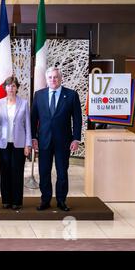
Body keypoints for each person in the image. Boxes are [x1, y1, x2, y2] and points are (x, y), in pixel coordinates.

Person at [31, 67, 82, 212]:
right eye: (50, 77)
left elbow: (77, 119)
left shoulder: (71, 95)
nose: (53, 80)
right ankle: (45, 200)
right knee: (44, 172)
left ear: (60, 78)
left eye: (55, 77)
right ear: (46, 80)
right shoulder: (39, 95)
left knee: (62, 172)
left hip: (64, 141)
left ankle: (61, 201)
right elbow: (33, 118)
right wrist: (33, 137)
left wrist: (76, 139)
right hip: (44, 141)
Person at [0, 76, 31, 210]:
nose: (11, 88)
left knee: (17, 172)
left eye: (13, 86)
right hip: (3, 144)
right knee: (5, 171)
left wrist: (28, 144)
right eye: (8, 86)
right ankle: (6, 200)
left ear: (17, 88)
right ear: (5, 88)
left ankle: (17, 201)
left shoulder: (24, 103)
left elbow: (28, 126)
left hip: (19, 144)